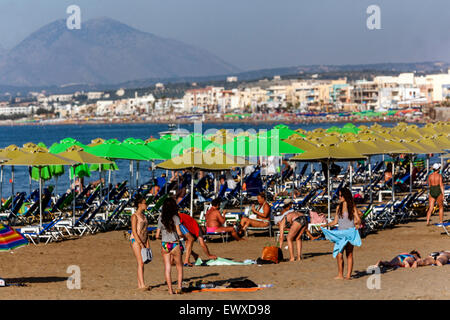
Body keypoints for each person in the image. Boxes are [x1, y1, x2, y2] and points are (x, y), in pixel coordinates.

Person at [322, 187, 362, 280]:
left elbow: (358, 219)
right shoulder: (338, 207)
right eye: (339, 195)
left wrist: (357, 225)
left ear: (345, 195)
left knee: (349, 254)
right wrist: (326, 225)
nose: (339, 197)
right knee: (339, 255)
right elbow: (335, 221)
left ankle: (348, 275)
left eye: (341, 195)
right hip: (340, 233)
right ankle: (340, 274)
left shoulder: (352, 206)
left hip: (350, 233)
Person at [155, 197, 184, 294]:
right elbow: (179, 233)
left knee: (167, 268)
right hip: (174, 243)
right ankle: (179, 287)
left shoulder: (161, 218)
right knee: (179, 267)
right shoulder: (175, 217)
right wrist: (184, 237)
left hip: (165, 244)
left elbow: (156, 235)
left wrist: (163, 237)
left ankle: (170, 290)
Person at [129, 194, 150, 290]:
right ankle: (142, 285)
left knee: (143, 262)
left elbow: (146, 231)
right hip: (136, 240)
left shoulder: (144, 216)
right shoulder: (135, 216)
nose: (146, 205)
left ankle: (140, 284)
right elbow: (134, 231)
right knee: (140, 262)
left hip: (144, 240)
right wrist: (140, 243)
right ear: (139, 204)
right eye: (145, 203)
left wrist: (147, 243)